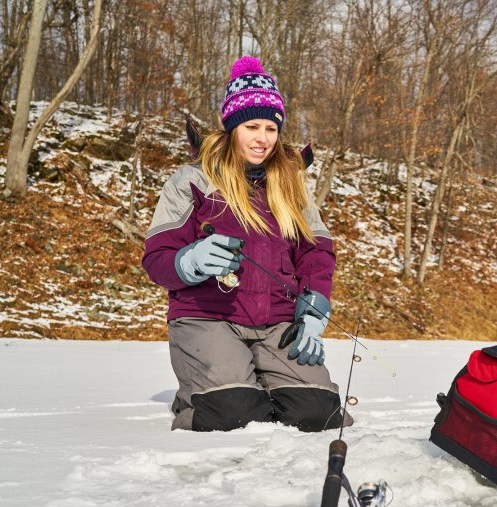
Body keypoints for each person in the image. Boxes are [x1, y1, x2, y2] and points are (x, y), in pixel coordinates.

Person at [142, 56, 345, 433]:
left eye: (271, 128)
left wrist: (315, 306)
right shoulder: (192, 181)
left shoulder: (291, 184)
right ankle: (205, 389)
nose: (262, 138)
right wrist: (189, 262)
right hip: (207, 319)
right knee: (233, 413)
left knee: (319, 415)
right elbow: (156, 258)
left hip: (277, 323)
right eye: (252, 126)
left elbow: (316, 252)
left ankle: (264, 380)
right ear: (231, 126)